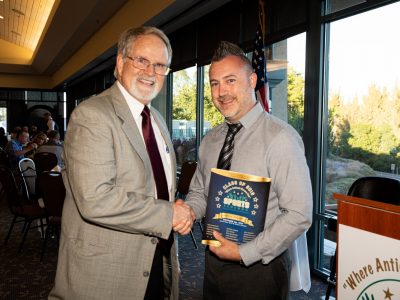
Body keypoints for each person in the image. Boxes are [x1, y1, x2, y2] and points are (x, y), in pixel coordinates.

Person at [48, 26, 193, 300]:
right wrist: (168, 214)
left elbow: (158, 189)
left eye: (160, 65)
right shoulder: (92, 115)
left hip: (156, 261)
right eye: (142, 60)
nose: (151, 72)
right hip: (106, 275)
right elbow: (96, 199)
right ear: (120, 62)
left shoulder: (158, 120)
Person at [184, 41, 313, 300]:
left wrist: (245, 253)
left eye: (230, 80)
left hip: (260, 269)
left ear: (252, 80)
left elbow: (299, 213)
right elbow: (200, 192)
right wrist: (187, 210)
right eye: (215, 83)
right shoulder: (210, 140)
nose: (222, 92)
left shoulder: (281, 138)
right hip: (212, 263)